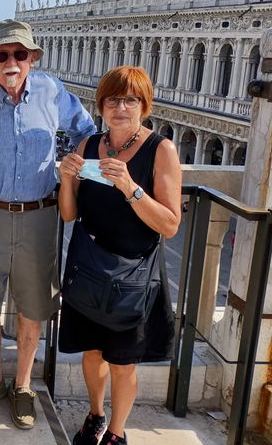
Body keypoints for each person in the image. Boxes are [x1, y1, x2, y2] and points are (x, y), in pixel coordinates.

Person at [0, 19, 95, 430]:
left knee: (33, 307)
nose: (10, 62)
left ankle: (24, 384)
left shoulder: (52, 91)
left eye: (19, 54)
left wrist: (77, 172)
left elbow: (86, 132)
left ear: (32, 58)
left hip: (40, 215)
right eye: (2, 55)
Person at [57, 66, 182, 445]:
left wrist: (130, 187)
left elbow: (170, 224)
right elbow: (68, 214)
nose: (121, 108)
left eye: (130, 100)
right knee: (92, 355)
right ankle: (95, 414)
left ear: (144, 106)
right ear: (102, 106)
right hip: (90, 269)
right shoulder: (89, 146)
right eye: (113, 99)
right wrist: (66, 178)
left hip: (132, 275)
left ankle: (116, 431)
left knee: (123, 363)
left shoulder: (160, 149)